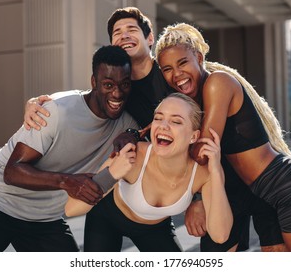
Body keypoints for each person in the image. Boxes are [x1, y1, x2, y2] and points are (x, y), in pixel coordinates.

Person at [23, 7, 286, 252]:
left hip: (226, 174)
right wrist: (43, 100)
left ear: (150, 39)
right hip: (137, 193)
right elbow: (87, 97)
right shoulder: (120, 85)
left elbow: (206, 116)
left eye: (132, 30)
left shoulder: (174, 75)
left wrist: (197, 198)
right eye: (117, 33)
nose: (124, 35)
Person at [154, 22, 291, 251]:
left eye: (182, 62)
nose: (176, 74)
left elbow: (203, 151)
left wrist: (166, 135)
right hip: (275, 194)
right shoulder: (197, 102)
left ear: (198, 57)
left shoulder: (218, 83)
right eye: (167, 69)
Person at [0, 45, 139, 252]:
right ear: (94, 82)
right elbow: (12, 171)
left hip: (44, 217)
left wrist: (133, 135)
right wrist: (68, 181)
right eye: (108, 85)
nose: (117, 93)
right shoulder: (57, 111)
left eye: (124, 84)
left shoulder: (127, 124)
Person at [65, 93, 233, 251]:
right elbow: (71, 209)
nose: (163, 126)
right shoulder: (133, 155)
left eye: (176, 121)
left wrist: (216, 172)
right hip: (106, 219)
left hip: (154, 229)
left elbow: (220, 235)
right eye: (158, 118)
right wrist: (112, 174)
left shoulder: (204, 173)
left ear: (194, 136)